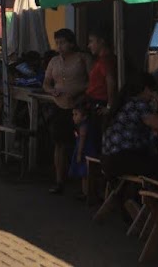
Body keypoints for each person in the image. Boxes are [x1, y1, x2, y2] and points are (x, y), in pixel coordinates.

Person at [42, 28, 92, 194]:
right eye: (57, 43)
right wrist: (52, 91)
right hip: (59, 105)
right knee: (59, 144)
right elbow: (46, 83)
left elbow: (93, 82)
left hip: (80, 106)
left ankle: (84, 186)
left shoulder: (83, 58)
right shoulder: (54, 61)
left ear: (71, 43)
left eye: (62, 42)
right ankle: (59, 180)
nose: (59, 46)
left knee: (83, 144)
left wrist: (81, 94)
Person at [101, 73, 158, 180]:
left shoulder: (123, 103)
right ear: (147, 89)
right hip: (123, 158)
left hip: (108, 158)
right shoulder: (139, 105)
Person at [69, 101, 98, 201]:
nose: (74, 117)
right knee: (84, 174)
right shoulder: (81, 126)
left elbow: (82, 141)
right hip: (85, 151)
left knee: (86, 173)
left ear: (84, 116)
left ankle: (87, 193)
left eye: (76, 114)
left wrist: (79, 153)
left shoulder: (84, 127)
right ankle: (85, 192)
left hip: (86, 152)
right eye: (73, 114)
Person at [86, 28, 118, 113]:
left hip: (100, 103)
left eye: (91, 41)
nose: (89, 45)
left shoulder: (106, 61)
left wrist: (109, 107)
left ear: (101, 41)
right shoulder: (101, 60)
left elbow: (111, 82)